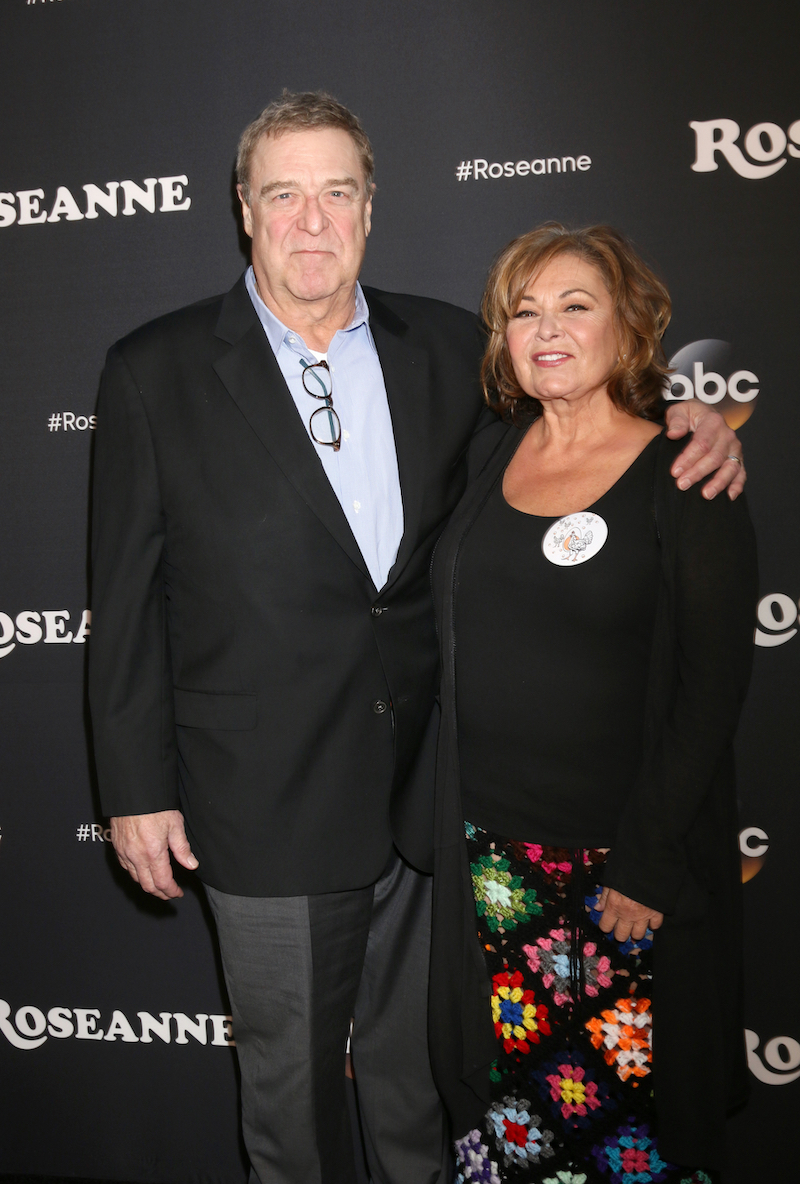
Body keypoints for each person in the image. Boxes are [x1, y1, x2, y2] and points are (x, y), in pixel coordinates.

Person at [88, 92, 745, 1184]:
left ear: (369, 208)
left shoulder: (446, 348)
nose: (311, 220)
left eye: (335, 192)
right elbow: (123, 598)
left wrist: (688, 413)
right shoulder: (152, 370)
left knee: (423, 1093)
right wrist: (131, 789)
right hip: (261, 803)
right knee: (290, 1112)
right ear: (242, 211)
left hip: (431, 814)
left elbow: (578, 414)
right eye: (283, 194)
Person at [428, 223, 757, 1184]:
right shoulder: (486, 457)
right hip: (491, 867)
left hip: (624, 877)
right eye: (524, 311)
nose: (548, 328)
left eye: (577, 305)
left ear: (632, 326)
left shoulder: (686, 471)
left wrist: (649, 860)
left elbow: (712, 688)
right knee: (514, 1120)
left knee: (628, 1132)